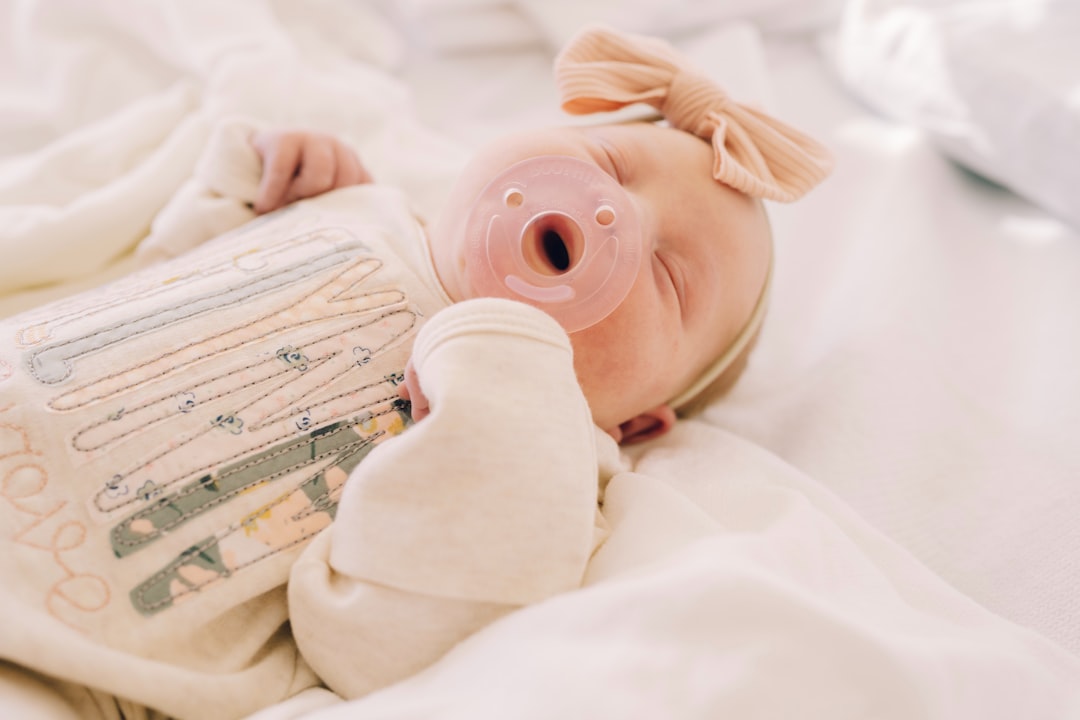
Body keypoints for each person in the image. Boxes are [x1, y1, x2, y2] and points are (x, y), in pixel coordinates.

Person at [0, 26, 830, 720]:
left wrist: (512, 406)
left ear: (637, 421)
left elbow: (380, 642)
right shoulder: (364, 205)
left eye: (669, 279)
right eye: (606, 162)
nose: (615, 216)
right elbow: (152, 282)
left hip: (60, 657)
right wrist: (255, 192)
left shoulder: (542, 461)